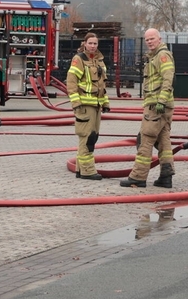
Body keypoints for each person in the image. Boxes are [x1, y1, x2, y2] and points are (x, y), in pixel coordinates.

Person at [120, 28, 176, 188]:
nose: (150, 42)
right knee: (163, 140)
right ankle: (166, 175)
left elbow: (168, 78)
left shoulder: (162, 55)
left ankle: (138, 176)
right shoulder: (155, 56)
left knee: (145, 139)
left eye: (152, 39)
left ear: (159, 39)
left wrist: (162, 100)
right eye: (147, 40)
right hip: (161, 106)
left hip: (157, 106)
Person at [67, 32, 111, 180]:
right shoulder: (79, 59)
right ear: (84, 43)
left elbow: (102, 85)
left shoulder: (99, 61)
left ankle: (81, 169)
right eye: (90, 43)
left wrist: (105, 102)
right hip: (84, 105)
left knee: (93, 137)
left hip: (96, 105)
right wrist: (76, 103)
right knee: (87, 137)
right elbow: (71, 82)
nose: (93, 46)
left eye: (95, 43)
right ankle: (87, 171)